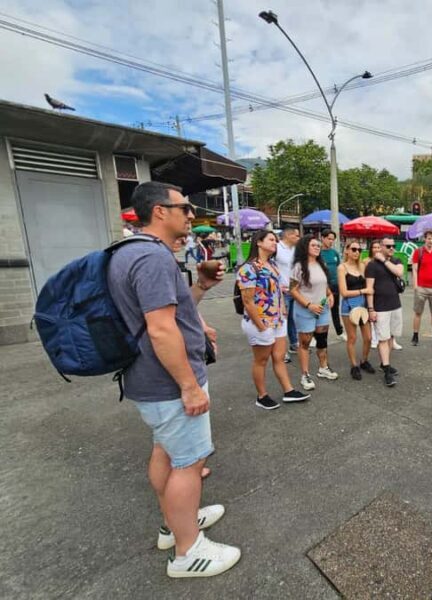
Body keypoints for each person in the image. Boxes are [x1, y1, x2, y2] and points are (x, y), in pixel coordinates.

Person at [107, 181, 240, 578]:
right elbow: (161, 330)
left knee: (165, 450)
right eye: (183, 207)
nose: (190, 213)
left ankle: (175, 522)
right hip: (167, 383)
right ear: (159, 212)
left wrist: (198, 288)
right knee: (188, 461)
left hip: (146, 380)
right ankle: (188, 553)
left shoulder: (128, 252)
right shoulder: (153, 258)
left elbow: (168, 313)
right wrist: (189, 385)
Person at [237, 230, 310, 409]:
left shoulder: (271, 264)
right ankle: (262, 396)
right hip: (260, 321)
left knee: (278, 356)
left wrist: (283, 311)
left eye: (275, 240)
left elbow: (277, 290)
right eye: (271, 239)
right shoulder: (249, 268)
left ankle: (288, 390)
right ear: (259, 243)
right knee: (261, 360)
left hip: (277, 320)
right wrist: (261, 325)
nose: (275, 243)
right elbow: (248, 300)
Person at [290, 235, 339, 391]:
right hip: (305, 310)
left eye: (318, 245)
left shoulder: (320, 263)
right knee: (305, 343)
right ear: (305, 247)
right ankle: (305, 374)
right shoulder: (299, 266)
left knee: (322, 340)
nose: (317, 247)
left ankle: (323, 368)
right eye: (314, 245)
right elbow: (293, 290)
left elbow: (324, 284)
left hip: (323, 309)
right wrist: (309, 304)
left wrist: (330, 294)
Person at [365, 237, 405, 387]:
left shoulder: (396, 260)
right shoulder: (371, 265)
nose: (391, 248)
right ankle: (387, 370)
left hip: (395, 305)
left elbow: (399, 272)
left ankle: (385, 363)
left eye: (393, 246)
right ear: (381, 246)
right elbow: (370, 289)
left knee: (391, 337)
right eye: (388, 246)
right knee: (382, 338)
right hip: (380, 307)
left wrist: (384, 260)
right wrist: (371, 309)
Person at [338, 239, 376, 380]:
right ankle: (354, 365)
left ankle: (364, 361)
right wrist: (364, 290)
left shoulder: (363, 266)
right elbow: (344, 292)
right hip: (348, 306)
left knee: (368, 337)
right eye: (353, 249)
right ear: (346, 250)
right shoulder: (342, 268)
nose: (356, 252)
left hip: (363, 306)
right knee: (352, 338)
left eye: (359, 250)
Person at [411, 230, 432, 346]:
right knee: (418, 312)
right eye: (429, 238)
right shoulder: (418, 252)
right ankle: (415, 336)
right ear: (424, 239)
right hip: (421, 288)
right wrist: (415, 285)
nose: (431, 241)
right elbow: (415, 270)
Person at [276, 226, 301, 360]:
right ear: (288, 236)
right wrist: (278, 285)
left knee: (293, 319)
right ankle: (281, 350)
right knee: (282, 320)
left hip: (293, 290)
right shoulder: (277, 248)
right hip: (282, 291)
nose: (298, 238)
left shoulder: (295, 250)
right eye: (296, 236)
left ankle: (294, 344)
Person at [320, 228, 345, 340]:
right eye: (329, 239)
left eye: (333, 239)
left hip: (335, 285)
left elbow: (339, 268)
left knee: (335, 309)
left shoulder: (334, 253)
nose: (331, 241)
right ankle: (317, 335)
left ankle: (339, 332)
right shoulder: (318, 252)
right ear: (323, 238)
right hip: (322, 287)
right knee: (320, 310)